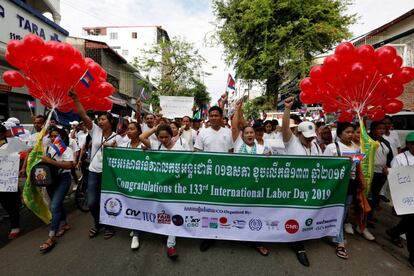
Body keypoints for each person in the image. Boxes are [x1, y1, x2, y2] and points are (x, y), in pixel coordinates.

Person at [69, 90, 117, 240]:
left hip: (109, 174)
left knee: (108, 201)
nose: (100, 121)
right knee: (92, 202)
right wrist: (76, 98)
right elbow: (83, 115)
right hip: (94, 171)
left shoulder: (119, 137)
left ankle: (109, 226)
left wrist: (115, 149)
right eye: (99, 119)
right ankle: (98, 223)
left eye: (103, 119)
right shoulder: (95, 131)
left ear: (110, 121)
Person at [282, 96, 320, 267]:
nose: (310, 139)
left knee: (305, 214)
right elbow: (284, 128)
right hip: (293, 187)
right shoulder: (291, 143)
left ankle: (301, 237)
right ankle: (298, 246)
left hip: (310, 187)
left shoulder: (316, 146)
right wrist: (287, 109)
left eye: (312, 137)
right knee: (293, 214)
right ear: (297, 133)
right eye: (306, 137)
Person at [139, 124, 184, 259]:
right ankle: (164, 233)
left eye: (166, 137)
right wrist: (155, 128)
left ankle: (171, 244)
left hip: (174, 187)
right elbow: (141, 137)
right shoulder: (155, 145)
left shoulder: (179, 148)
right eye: (161, 137)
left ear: (172, 136)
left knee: (173, 213)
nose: (164, 140)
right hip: (158, 187)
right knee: (161, 212)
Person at [194, 106, 233, 252]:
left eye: (217, 115)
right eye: (212, 116)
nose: (214, 118)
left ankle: (225, 230)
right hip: (208, 177)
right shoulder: (202, 133)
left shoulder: (229, 133)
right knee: (208, 207)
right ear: (208, 117)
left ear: (222, 117)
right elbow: (197, 153)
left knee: (223, 205)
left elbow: (232, 153)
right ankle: (208, 236)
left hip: (225, 177)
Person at [323, 123, 360, 259]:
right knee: (337, 210)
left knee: (344, 211)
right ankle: (339, 242)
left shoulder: (357, 148)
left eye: (352, 132)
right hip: (336, 184)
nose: (350, 134)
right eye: (347, 132)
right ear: (339, 134)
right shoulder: (332, 147)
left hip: (351, 184)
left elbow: (357, 167)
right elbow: (324, 166)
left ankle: (335, 234)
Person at [39, 127, 74, 253]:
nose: (53, 138)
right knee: (56, 204)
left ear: (63, 137)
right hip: (50, 180)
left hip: (63, 179)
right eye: (51, 136)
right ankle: (64, 223)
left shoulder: (67, 149)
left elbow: (69, 165)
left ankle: (51, 236)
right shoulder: (48, 148)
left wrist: (50, 161)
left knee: (54, 206)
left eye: (56, 136)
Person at [386, 132, 414, 268]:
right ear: (408, 145)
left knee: (409, 222)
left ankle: (394, 231)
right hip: (406, 198)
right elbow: (394, 178)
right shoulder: (400, 159)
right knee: (412, 225)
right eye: (413, 144)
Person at [118, 122, 143, 250]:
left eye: (132, 129)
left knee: (136, 205)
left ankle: (136, 234)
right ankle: (136, 228)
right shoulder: (124, 145)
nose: (129, 131)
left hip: (142, 182)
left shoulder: (144, 146)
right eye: (128, 129)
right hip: (127, 182)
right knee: (131, 205)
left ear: (139, 131)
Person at [368, 121, 393, 224]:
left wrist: (387, 166)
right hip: (370, 173)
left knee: (375, 196)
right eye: (379, 128)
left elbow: (390, 156)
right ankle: (365, 218)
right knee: (368, 197)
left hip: (381, 174)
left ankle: (370, 215)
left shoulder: (385, 142)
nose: (382, 130)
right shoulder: (367, 141)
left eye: (383, 128)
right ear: (372, 130)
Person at [0, 124, 22, 240]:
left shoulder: (11, 144)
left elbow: (25, 153)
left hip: (7, 180)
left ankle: (15, 226)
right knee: (4, 203)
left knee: (10, 204)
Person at [380, 116, 401, 203]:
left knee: (394, 178)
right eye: (385, 123)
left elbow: (398, 147)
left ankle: (395, 195)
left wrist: (400, 158)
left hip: (395, 159)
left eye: (389, 123)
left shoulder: (394, 133)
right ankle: (381, 194)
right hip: (385, 160)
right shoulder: (380, 135)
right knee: (384, 178)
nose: (387, 125)